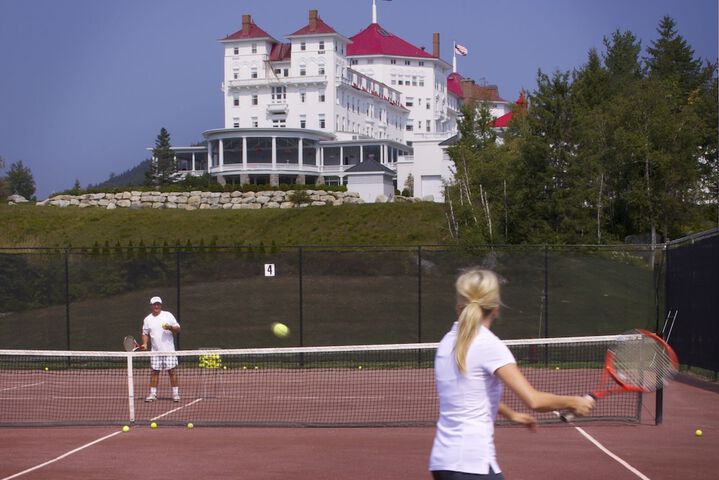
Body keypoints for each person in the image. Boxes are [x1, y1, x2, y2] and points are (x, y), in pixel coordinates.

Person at [429, 269, 595, 479]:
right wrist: (574, 401)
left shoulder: (446, 342)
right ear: (496, 308)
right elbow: (534, 401)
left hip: (443, 463)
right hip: (472, 465)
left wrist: (510, 414)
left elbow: (470, 394)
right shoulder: (489, 344)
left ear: (458, 307)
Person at [141, 296, 181, 402]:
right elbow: (145, 333)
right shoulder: (147, 319)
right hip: (155, 351)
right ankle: (153, 394)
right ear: (151, 306)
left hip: (169, 351)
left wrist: (170, 327)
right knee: (154, 372)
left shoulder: (168, 315)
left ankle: (175, 394)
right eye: (154, 304)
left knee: (172, 371)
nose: (156, 306)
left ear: (160, 305)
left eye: (158, 304)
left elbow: (178, 329)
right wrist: (145, 344)